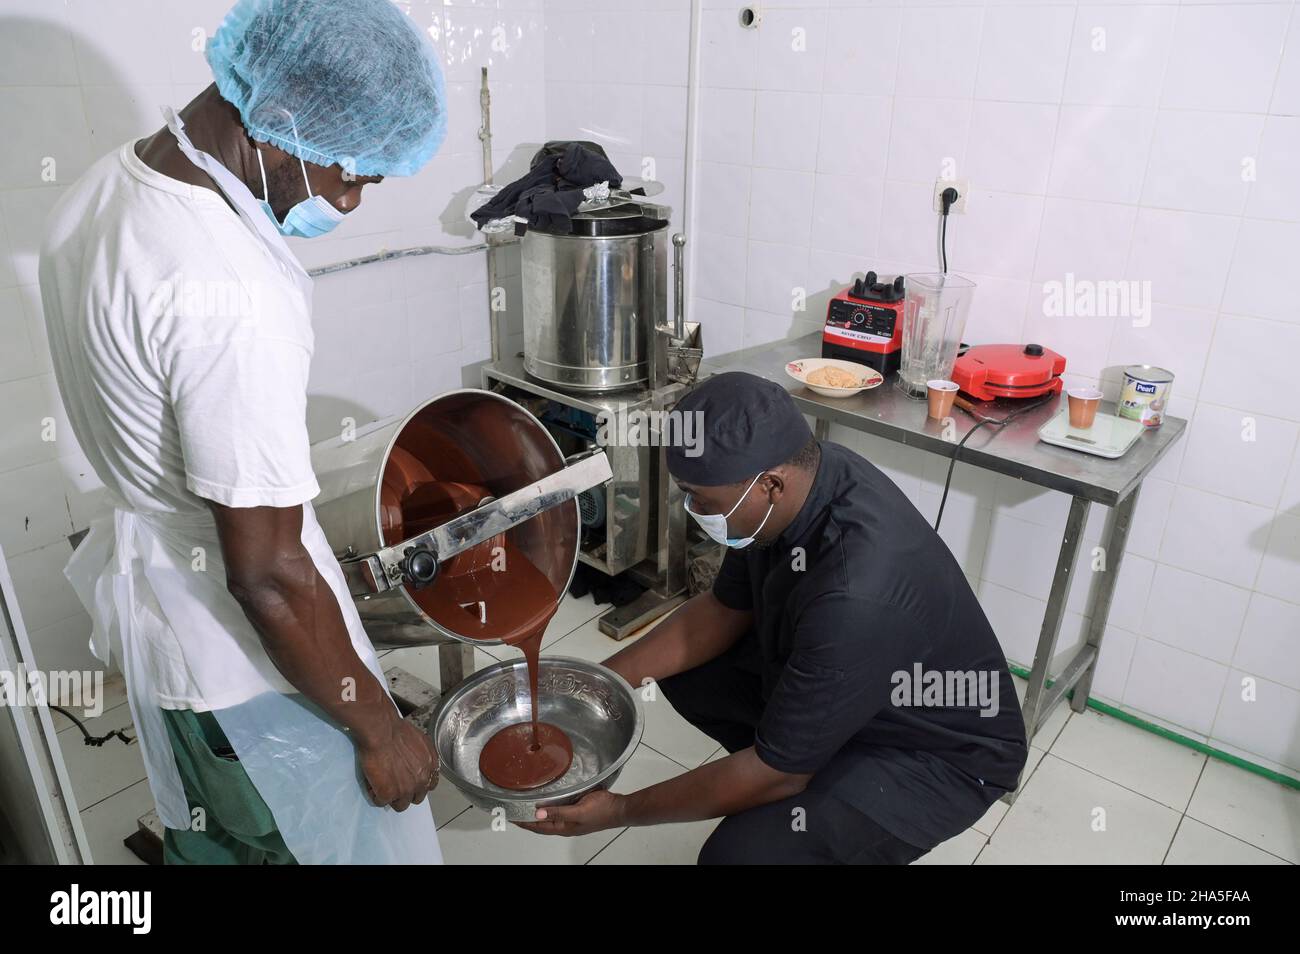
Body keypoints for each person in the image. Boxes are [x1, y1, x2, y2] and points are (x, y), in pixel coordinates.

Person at [40, 0, 448, 864]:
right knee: (303, 841)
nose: (351, 197)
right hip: (245, 671)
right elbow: (265, 575)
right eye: (352, 171)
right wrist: (380, 730)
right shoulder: (233, 292)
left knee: (214, 838)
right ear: (283, 125)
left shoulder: (107, 186)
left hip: (161, 620)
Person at [520, 372, 1029, 864]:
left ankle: (814, 785)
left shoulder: (857, 592)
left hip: (936, 754)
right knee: (687, 673)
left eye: (702, 500)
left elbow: (775, 772)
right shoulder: (785, 493)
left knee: (740, 855)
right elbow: (719, 611)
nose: (693, 509)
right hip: (854, 690)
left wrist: (621, 810)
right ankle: (805, 758)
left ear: (770, 485)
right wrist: (594, 683)